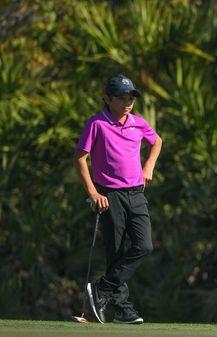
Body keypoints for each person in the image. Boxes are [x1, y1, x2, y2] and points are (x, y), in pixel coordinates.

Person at [73, 75, 163, 324]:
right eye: (122, 98)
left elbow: (157, 142)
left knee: (144, 245)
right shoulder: (96, 124)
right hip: (109, 195)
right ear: (107, 99)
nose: (128, 102)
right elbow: (80, 159)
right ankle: (123, 310)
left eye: (131, 97)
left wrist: (149, 167)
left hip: (136, 193)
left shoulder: (138, 123)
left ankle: (102, 289)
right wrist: (93, 193)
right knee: (115, 251)